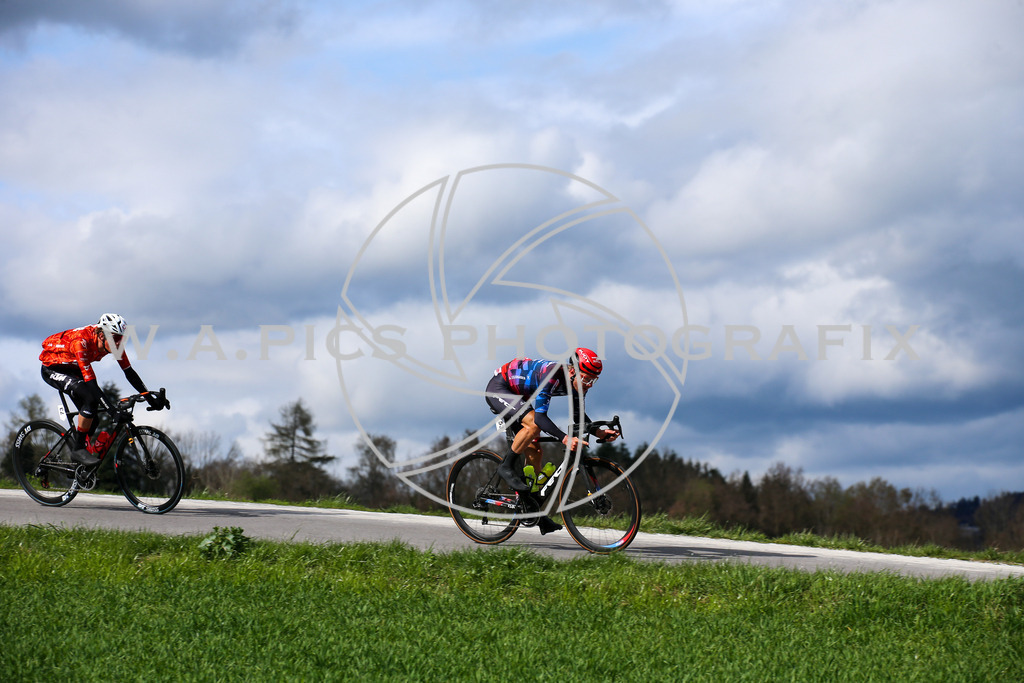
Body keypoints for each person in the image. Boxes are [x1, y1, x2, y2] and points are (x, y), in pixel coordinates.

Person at [484, 347, 619, 534]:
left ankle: (533, 510)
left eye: (593, 380)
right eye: (586, 378)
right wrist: (565, 439)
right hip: (500, 387)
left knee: (536, 453)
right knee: (533, 425)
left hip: (521, 394)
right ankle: (506, 467)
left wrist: (599, 432)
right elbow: (540, 419)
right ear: (572, 371)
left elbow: (578, 416)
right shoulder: (552, 375)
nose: (589, 384)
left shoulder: (577, 383)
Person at [39, 313, 168, 467]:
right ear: (101, 335)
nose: (118, 343)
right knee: (90, 400)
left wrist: (151, 399)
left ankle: (82, 459)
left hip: (73, 367)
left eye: (121, 338)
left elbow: (129, 373)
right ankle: (78, 449)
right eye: (115, 338)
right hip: (53, 368)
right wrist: (113, 412)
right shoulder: (81, 342)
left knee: (93, 417)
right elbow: (93, 385)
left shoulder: (113, 343)